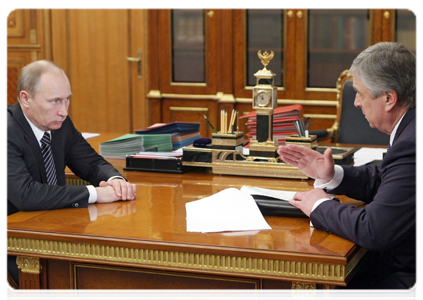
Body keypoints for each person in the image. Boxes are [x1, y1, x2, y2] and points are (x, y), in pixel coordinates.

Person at [278, 42, 419, 300]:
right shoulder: (413, 126)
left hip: (410, 279)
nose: (355, 103)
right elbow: (392, 181)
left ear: (389, 98)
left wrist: (319, 206)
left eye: (360, 94)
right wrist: (333, 175)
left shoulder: (412, 142)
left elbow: (373, 230)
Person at [5, 60, 137, 293]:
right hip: (15, 245)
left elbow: (91, 162)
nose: (64, 111)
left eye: (67, 99)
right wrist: (94, 193)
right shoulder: (5, 131)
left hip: (56, 231)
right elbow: (25, 195)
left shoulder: (59, 124)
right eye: (55, 101)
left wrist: (116, 180)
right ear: (25, 99)